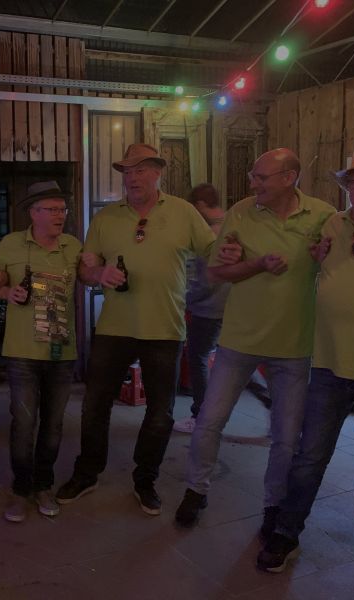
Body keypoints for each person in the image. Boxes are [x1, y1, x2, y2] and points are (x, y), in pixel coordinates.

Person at [257, 139, 354, 581]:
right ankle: (287, 531)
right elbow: (309, 266)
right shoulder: (332, 225)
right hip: (327, 365)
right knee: (309, 456)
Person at [175, 149, 335, 535]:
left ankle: (273, 505)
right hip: (238, 341)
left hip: (294, 347)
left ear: (289, 177)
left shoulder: (324, 216)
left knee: (286, 438)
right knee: (208, 422)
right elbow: (217, 272)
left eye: (261, 177)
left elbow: (341, 267)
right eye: (253, 175)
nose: (253, 183)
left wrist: (324, 259)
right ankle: (196, 489)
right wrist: (256, 264)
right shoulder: (242, 212)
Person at [55, 143, 216, 515]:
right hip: (114, 328)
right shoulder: (106, 218)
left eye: (140, 170)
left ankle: (145, 480)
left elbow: (213, 252)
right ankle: (87, 472)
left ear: (158, 172)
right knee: (95, 405)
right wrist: (99, 273)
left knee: (160, 413)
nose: (132, 177)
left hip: (165, 328)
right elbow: (85, 269)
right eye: (127, 171)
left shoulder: (183, 212)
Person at [0, 181, 82, 523]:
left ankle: (44, 486)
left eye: (62, 209)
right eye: (51, 209)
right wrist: (6, 292)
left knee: (53, 424)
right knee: (24, 422)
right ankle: (21, 489)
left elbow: (91, 275)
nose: (60, 215)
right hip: (22, 352)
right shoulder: (10, 244)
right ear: (33, 213)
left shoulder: (73, 246)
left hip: (61, 352)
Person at [174, 183, 230, 434]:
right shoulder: (232, 225)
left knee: (198, 359)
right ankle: (267, 398)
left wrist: (184, 299)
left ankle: (202, 417)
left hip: (209, 308)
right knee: (233, 359)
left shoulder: (211, 235)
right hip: (232, 307)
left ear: (199, 206)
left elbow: (208, 281)